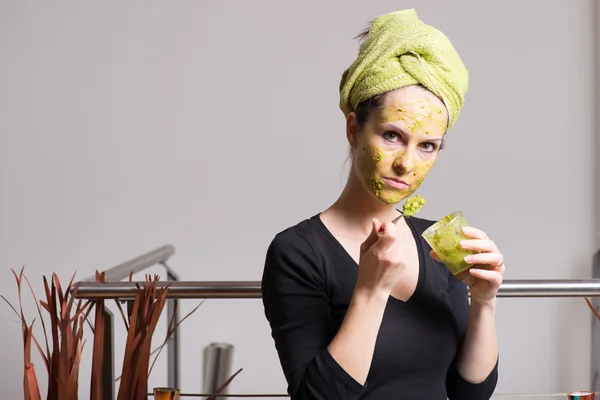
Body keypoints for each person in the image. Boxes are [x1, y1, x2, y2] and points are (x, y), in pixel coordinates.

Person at [261, 8, 505, 400]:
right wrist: (371, 290)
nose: (406, 163)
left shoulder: (435, 241)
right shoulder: (298, 252)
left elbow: (469, 394)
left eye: (427, 145)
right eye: (392, 135)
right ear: (354, 128)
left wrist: (485, 302)